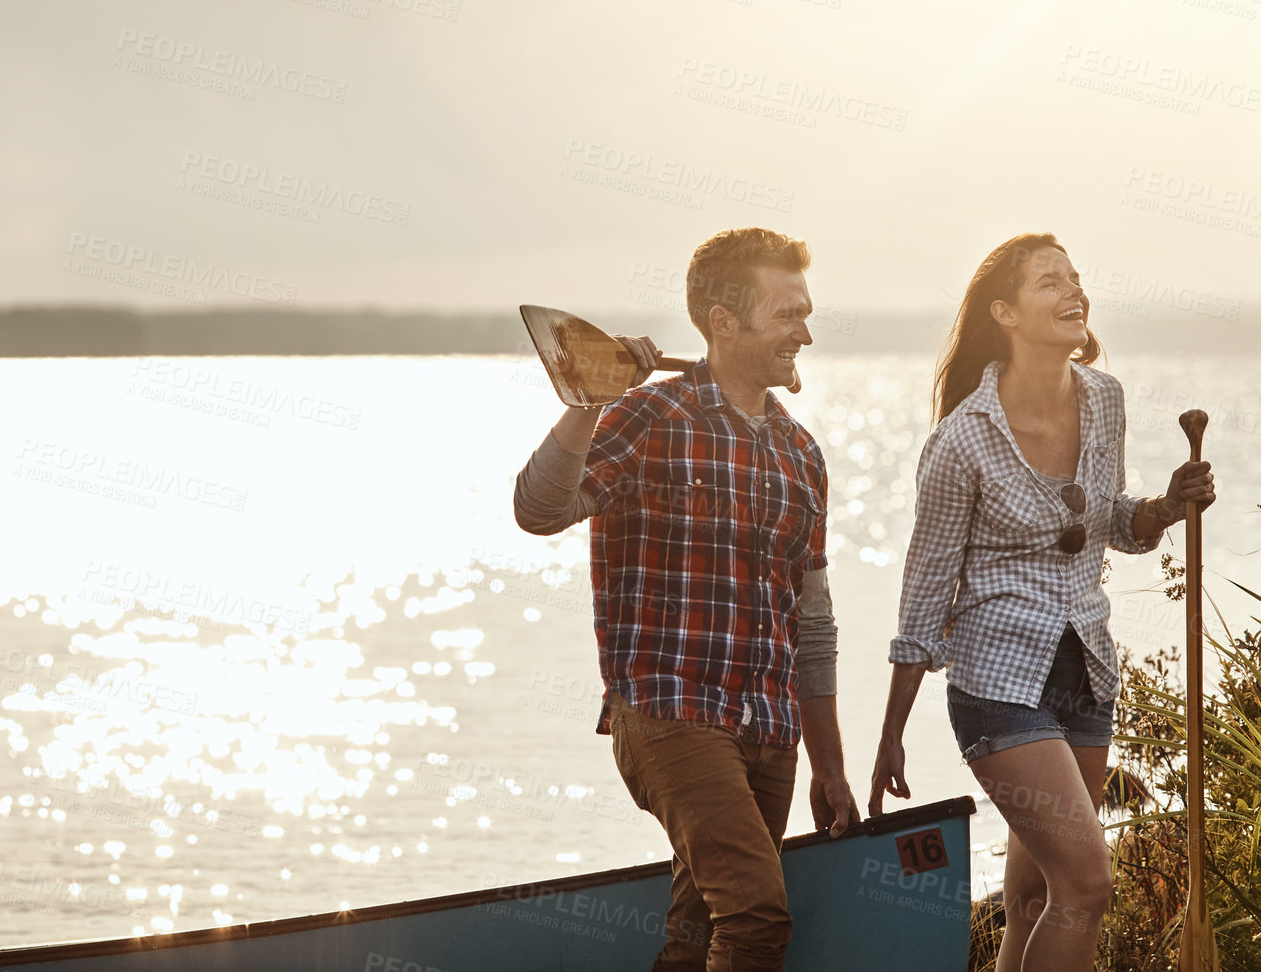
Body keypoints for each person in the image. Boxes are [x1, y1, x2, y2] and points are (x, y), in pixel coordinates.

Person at [513, 227, 859, 971]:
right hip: (669, 716)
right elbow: (540, 510)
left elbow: (815, 625)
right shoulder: (648, 418)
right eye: (787, 314)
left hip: (770, 729)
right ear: (723, 322)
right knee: (758, 917)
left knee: (699, 932)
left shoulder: (802, 455)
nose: (804, 332)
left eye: (806, 311)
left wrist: (829, 766)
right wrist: (589, 399)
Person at [867, 233, 1215, 972]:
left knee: (1031, 896)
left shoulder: (1104, 399)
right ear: (1006, 313)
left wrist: (1165, 505)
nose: (1073, 292)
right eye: (1049, 283)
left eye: (1076, 278)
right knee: (1088, 886)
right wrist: (891, 734)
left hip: (1085, 672)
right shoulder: (960, 442)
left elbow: (1114, 522)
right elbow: (924, 597)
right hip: (997, 686)